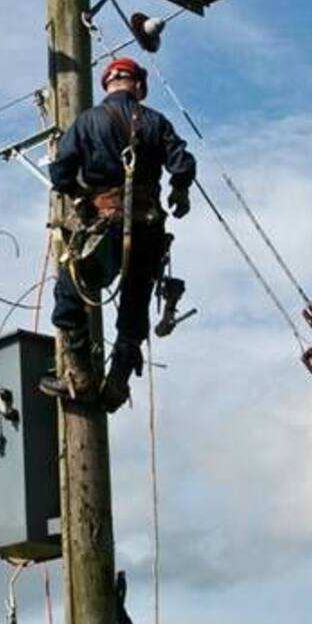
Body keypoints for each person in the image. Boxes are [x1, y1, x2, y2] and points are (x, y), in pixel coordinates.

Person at [42, 56, 196, 412]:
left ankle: (80, 376)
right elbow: (182, 163)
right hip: (147, 230)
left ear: (108, 85)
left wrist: (79, 196)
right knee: (134, 305)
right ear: (139, 86)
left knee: (70, 292)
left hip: (106, 227)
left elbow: (60, 173)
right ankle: (117, 382)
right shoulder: (156, 122)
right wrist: (180, 191)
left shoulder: (87, 122)